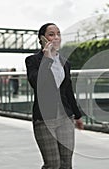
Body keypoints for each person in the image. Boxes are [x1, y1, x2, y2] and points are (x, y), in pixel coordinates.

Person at [25, 23, 84, 169]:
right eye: (51, 34)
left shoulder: (65, 62)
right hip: (45, 119)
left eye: (58, 34)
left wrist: (77, 116)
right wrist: (47, 59)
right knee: (52, 164)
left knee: (66, 164)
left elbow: (68, 91)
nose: (56, 37)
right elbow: (37, 84)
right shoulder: (33, 60)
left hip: (65, 118)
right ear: (42, 39)